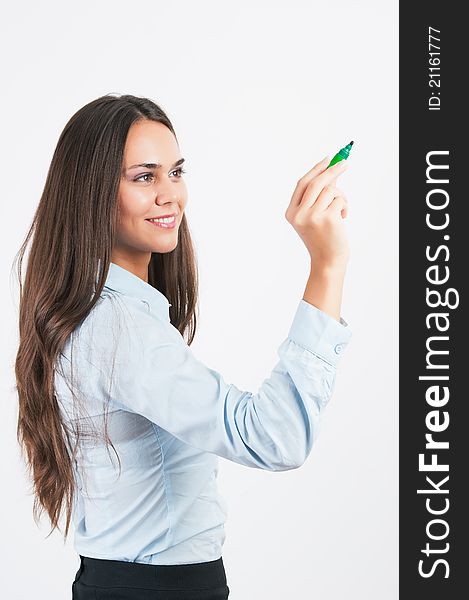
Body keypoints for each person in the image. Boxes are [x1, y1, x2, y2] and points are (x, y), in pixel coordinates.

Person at [14, 93, 352, 599]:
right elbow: (274, 438)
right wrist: (328, 267)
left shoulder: (104, 313)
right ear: (92, 192)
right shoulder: (120, 328)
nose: (171, 194)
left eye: (176, 171)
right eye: (144, 177)